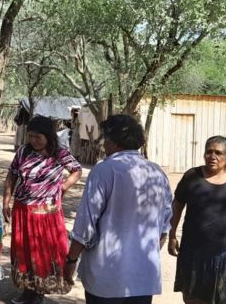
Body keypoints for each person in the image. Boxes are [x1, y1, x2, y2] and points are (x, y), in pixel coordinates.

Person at [64, 114, 173, 304]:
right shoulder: (156, 172)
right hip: (143, 278)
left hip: (106, 277)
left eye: (105, 139)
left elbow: (85, 224)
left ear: (114, 142)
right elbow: (165, 226)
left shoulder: (104, 170)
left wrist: (71, 260)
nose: (104, 144)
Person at [2, 116, 82, 304]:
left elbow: (77, 170)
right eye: (31, 136)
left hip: (46, 213)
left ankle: (39, 292)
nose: (34, 141)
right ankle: (27, 290)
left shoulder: (59, 154)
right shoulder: (22, 152)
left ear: (48, 136)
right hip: (22, 210)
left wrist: (63, 188)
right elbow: (11, 175)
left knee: (42, 253)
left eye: (38, 137)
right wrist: (6, 201)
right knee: (23, 251)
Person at [168, 135, 226, 304]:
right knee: (194, 298)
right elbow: (177, 206)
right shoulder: (192, 176)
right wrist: (172, 235)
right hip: (194, 251)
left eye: (218, 153)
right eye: (209, 152)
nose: (212, 156)